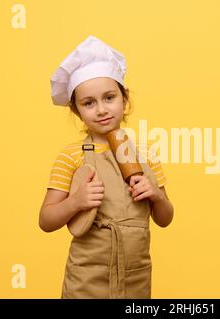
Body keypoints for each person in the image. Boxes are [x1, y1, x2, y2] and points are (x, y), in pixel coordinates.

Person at [39, 35, 174, 299]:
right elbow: (45, 220)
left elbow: (165, 219)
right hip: (87, 280)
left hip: (135, 277)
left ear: (124, 100)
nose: (101, 109)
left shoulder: (144, 154)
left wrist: (156, 195)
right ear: (78, 111)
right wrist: (76, 202)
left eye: (109, 98)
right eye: (89, 103)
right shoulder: (72, 155)